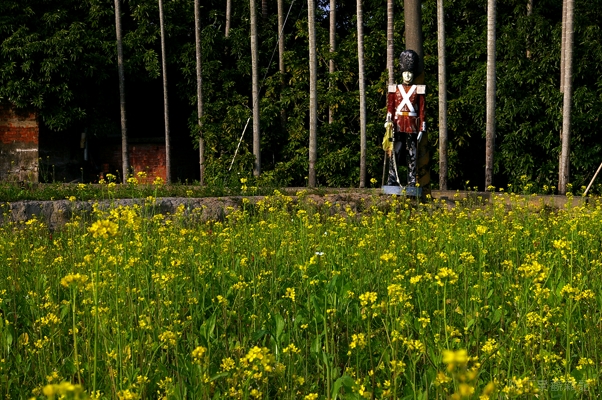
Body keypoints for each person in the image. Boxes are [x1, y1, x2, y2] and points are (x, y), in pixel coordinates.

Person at [383, 50, 425, 187]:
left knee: (412, 154)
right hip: (397, 124)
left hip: (412, 125)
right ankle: (392, 178)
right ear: (401, 73)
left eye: (410, 73)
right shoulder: (394, 89)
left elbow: (421, 110)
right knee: (395, 152)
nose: (407, 75)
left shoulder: (418, 90)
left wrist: (421, 128)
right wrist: (388, 122)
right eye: (405, 73)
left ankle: (412, 179)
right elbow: (390, 107)